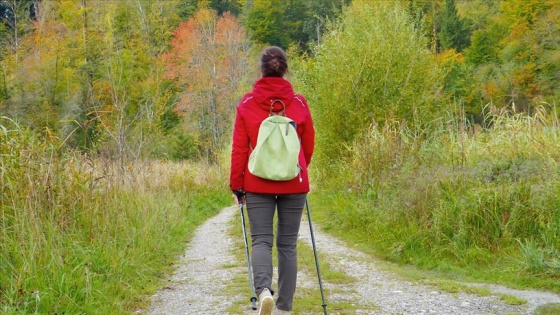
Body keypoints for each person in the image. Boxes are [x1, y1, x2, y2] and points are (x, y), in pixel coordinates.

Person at [230, 46, 315, 315]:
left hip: (257, 183)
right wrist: (298, 169)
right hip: (294, 182)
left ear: (261, 69)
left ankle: (264, 291)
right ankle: (284, 307)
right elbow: (308, 144)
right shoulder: (299, 103)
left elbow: (240, 149)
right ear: (285, 69)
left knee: (261, 241)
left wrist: (237, 184)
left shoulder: (247, 103)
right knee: (288, 244)